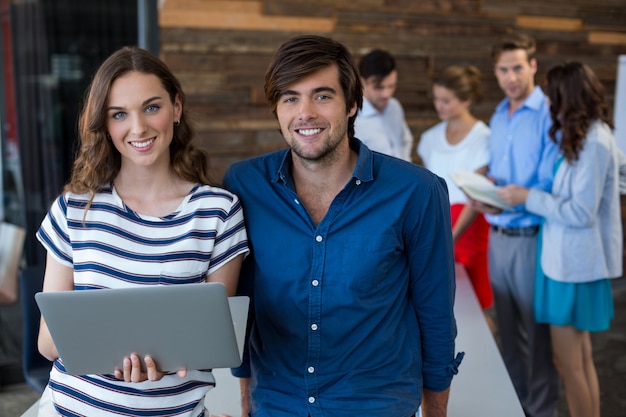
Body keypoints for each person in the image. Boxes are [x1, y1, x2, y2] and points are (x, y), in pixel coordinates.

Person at [224, 35, 462, 417]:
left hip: (376, 403)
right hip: (277, 403)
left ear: (352, 104)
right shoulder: (245, 184)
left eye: (322, 96)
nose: (305, 113)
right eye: (290, 98)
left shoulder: (417, 191)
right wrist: (246, 403)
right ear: (276, 108)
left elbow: (435, 318)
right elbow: (245, 304)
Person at [35, 46, 249, 416]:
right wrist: (126, 351)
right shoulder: (74, 208)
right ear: (105, 124)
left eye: (152, 107)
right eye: (119, 114)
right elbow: (49, 343)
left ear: (176, 108)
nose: (139, 128)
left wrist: (162, 355)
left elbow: (212, 341)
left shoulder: (218, 211)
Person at [497, 62, 622, 417]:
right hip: (562, 262)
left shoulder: (596, 141)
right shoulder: (584, 136)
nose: (549, 102)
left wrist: (527, 198)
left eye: (552, 95)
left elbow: (582, 212)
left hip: (574, 266)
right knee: (577, 361)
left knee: (570, 364)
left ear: (568, 95)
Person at [469, 33, 561, 417]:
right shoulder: (499, 114)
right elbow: (504, 170)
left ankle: (542, 411)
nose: (510, 77)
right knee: (506, 331)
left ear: (533, 66)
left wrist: (507, 194)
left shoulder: (549, 113)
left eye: (518, 68)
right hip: (498, 234)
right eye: (503, 69)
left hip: (530, 236)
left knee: (535, 336)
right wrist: (483, 181)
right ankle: (515, 407)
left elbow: (548, 180)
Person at [417, 65, 494, 322]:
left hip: (470, 226)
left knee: (475, 306)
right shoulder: (430, 137)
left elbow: (476, 193)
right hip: (438, 222)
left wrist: (452, 236)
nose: (439, 106)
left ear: (467, 100)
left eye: (446, 101)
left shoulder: (483, 137)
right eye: (437, 99)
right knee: (440, 303)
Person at [353, 49, 414, 161]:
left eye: (391, 86)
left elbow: (405, 140)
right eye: (379, 87)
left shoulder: (395, 106)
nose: (387, 94)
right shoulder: (352, 118)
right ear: (362, 82)